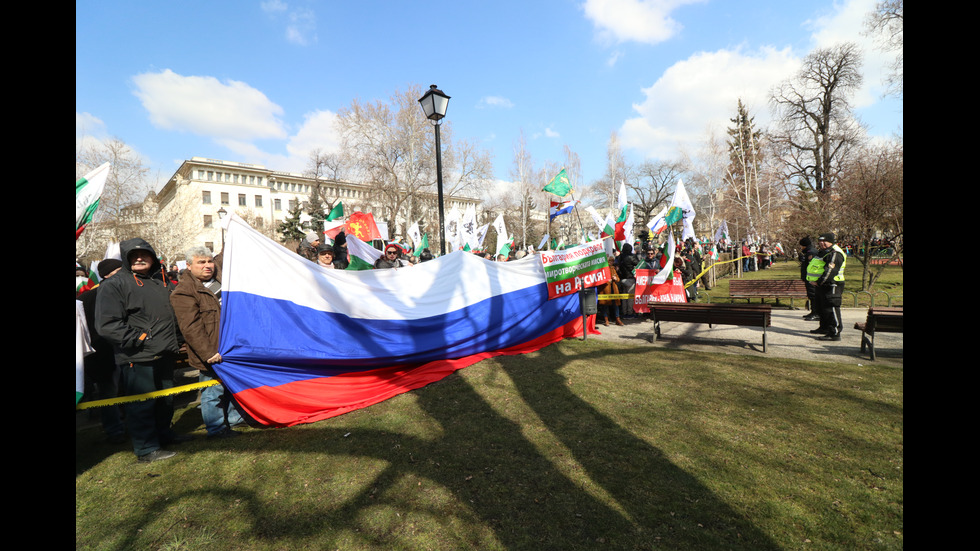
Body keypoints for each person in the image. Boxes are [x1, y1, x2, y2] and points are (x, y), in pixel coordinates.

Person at [95, 238, 188, 462]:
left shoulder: (159, 282)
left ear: (153, 257)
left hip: (165, 352)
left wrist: (178, 338)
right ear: (126, 259)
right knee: (142, 405)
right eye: (133, 255)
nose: (139, 258)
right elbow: (106, 324)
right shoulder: (115, 284)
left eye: (144, 254)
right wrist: (138, 338)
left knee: (165, 400)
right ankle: (146, 449)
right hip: (137, 356)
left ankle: (163, 436)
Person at [170, 246, 245, 439]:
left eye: (209, 261)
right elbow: (191, 327)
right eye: (201, 262)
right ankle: (217, 428)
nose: (207, 266)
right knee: (213, 393)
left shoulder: (218, 275)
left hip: (231, 346)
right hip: (212, 351)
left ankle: (236, 420)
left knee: (232, 386)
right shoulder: (184, 292)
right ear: (188, 266)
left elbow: (226, 254)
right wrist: (208, 353)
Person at [77, 258, 126, 444]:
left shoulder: (117, 291)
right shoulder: (91, 297)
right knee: (109, 393)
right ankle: (115, 430)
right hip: (103, 352)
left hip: (114, 351)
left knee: (119, 390)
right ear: (108, 275)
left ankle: (121, 426)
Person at [807, 232, 847, 341]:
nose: (822, 243)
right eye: (820, 241)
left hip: (832, 285)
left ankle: (834, 332)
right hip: (822, 285)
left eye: (824, 241)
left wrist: (819, 282)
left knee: (831, 308)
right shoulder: (824, 252)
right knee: (822, 308)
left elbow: (830, 271)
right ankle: (824, 328)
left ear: (831, 241)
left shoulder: (835, 253)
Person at [799, 237, 820, 320]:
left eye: (801, 246)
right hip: (809, 277)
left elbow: (812, 265)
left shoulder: (811, 252)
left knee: (813, 295)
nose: (801, 248)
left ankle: (816, 313)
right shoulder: (808, 252)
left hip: (812, 278)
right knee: (811, 295)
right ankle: (813, 311)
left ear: (804, 245)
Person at [598, 255, 623, 326]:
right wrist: (606, 280)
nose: (611, 262)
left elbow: (618, 279)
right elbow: (599, 280)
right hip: (605, 289)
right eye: (610, 261)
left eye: (612, 261)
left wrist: (616, 278)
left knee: (616, 305)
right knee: (605, 305)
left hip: (613, 289)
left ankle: (617, 319)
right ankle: (606, 319)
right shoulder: (602, 269)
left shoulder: (613, 268)